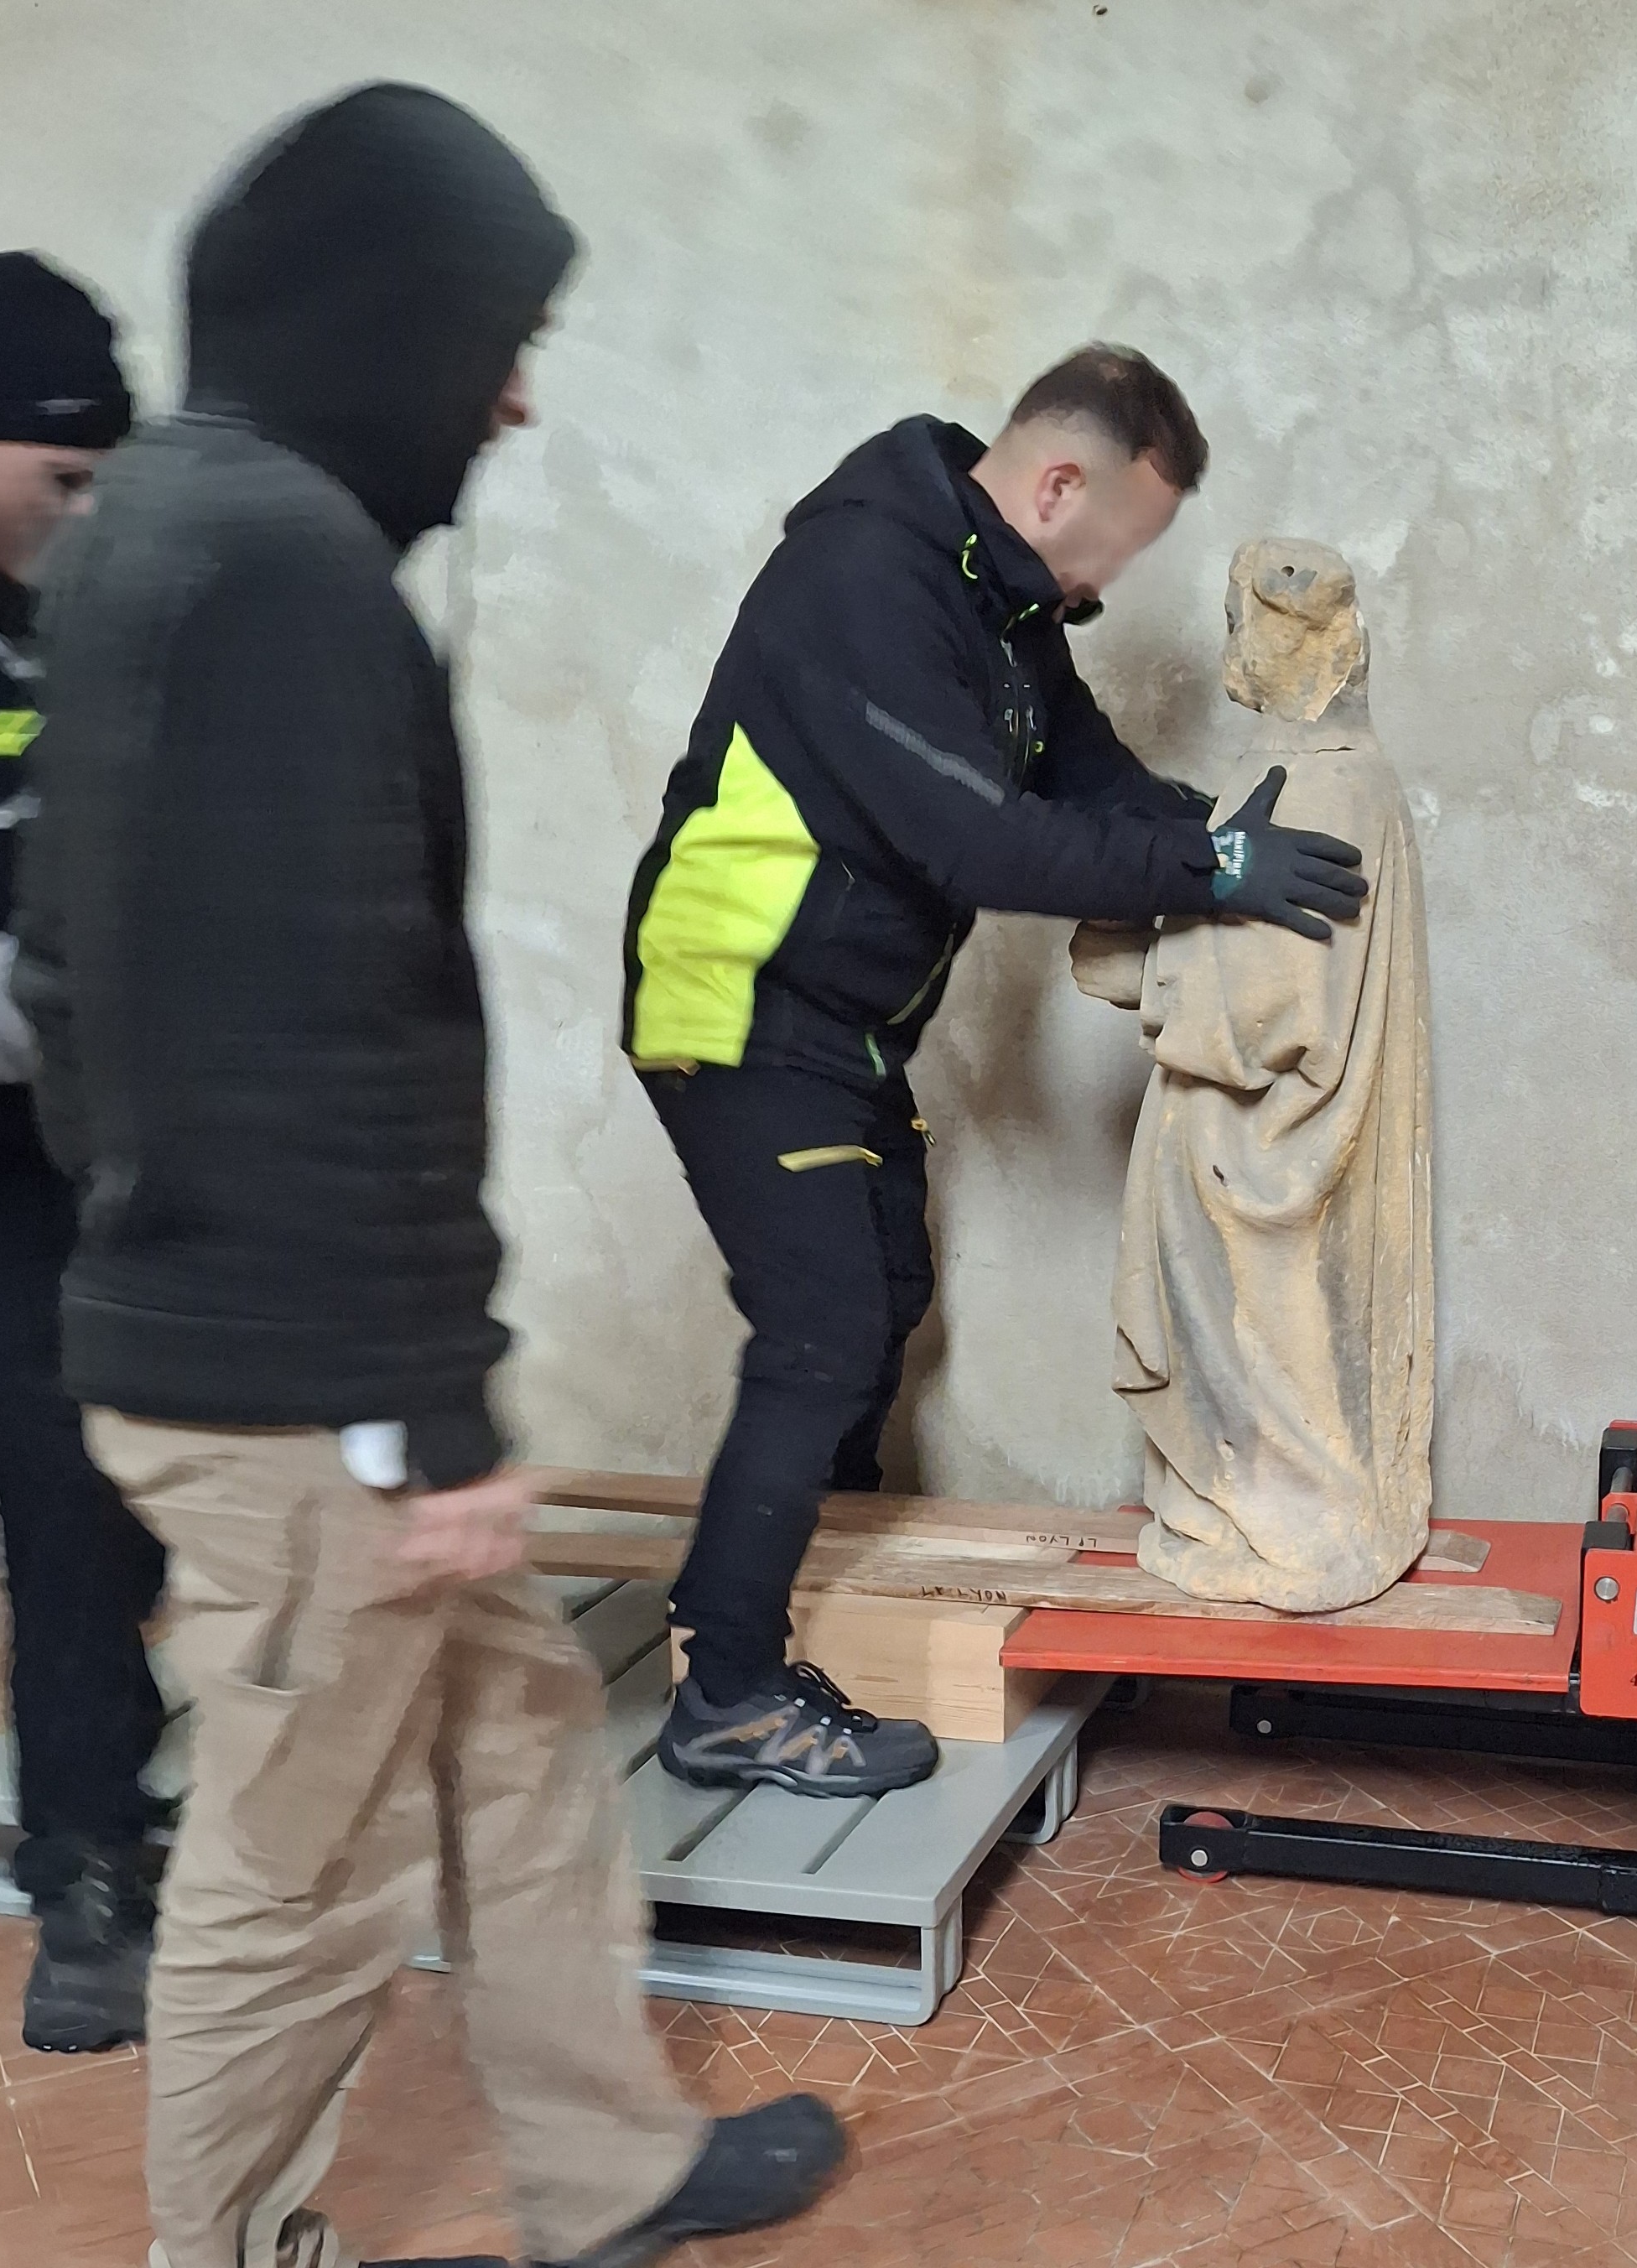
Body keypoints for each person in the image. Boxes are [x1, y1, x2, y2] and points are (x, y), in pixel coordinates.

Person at [15, 86, 842, 2268]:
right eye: (497, 341)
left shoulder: (150, 527)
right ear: (384, 321)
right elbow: (338, 1034)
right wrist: (429, 1413)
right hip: (299, 1393)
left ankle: (607, 2171)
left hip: (236, 1335)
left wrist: (155, 1239)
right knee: (301, 1869)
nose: (515, 397)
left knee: (518, 1732)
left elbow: (75, 987)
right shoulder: (280, 570)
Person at [622, 347, 1368, 1795]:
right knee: (825, 1326)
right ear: (1059, 483)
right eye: (1121, 546)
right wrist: (1211, 873)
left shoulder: (1003, 599)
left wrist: (1222, 832)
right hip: (733, 1001)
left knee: (884, 1292)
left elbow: (1087, 781)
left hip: (844, 1022)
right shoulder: (866, 580)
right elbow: (981, 842)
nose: (1110, 582)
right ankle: (728, 1689)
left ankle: (812, 1574)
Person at [0, 251, 160, 2055]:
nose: (82, 510)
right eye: (60, 472)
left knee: (79, 1505)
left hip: (20, 1161)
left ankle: (84, 1873)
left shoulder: (77, 619)